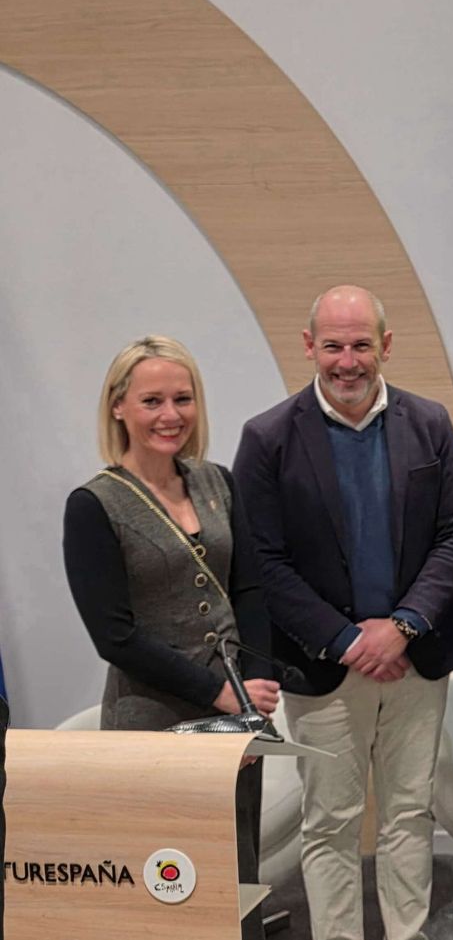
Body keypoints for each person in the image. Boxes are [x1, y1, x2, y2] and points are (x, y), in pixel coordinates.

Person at [232, 285, 453, 940]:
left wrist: (399, 628)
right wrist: (345, 638)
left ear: (385, 346)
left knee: (408, 811)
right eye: (333, 344)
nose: (347, 360)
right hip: (322, 667)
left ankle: (407, 930)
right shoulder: (267, 437)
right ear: (309, 346)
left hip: (415, 661)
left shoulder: (430, 422)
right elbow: (263, 562)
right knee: (331, 819)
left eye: (361, 344)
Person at [63, 335, 280, 940]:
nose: (170, 416)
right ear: (118, 407)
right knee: (166, 886)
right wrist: (217, 694)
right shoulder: (94, 504)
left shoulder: (217, 481)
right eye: (152, 400)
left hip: (236, 718)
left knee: (237, 875)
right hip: (150, 719)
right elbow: (114, 636)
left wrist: (257, 681)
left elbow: (251, 589)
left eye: (182, 399)